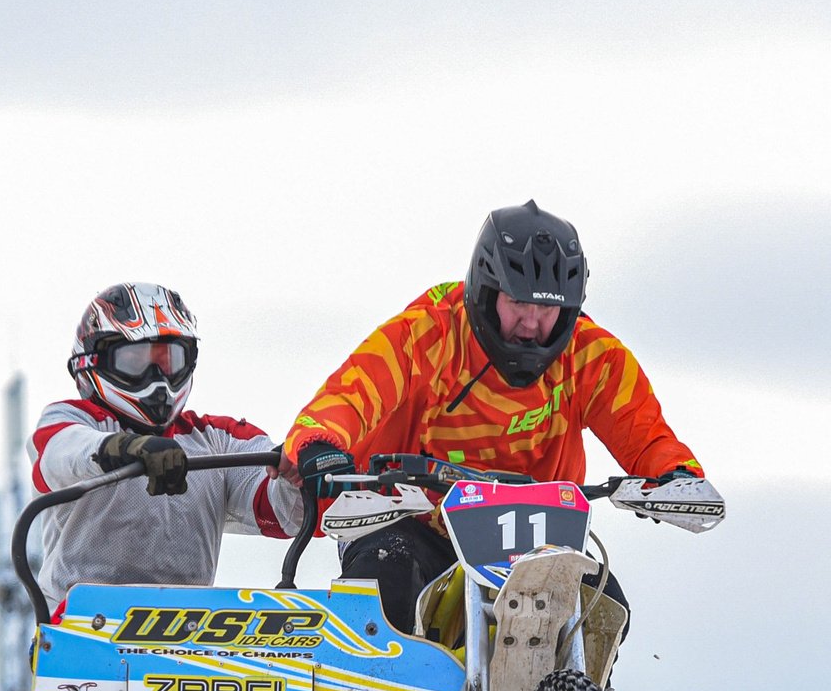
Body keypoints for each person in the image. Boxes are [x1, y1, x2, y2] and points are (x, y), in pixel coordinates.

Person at [278, 200, 725, 633]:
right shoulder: (428, 330)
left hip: (531, 534)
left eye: (546, 309)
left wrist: (673, 475)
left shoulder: (590, 355)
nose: (531, 323)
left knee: (602, 608)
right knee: (385, 580)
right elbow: (352, 394)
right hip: (412, 518)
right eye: (518, 303)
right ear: (486, 292)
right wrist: (320, 446)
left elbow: (643, 432)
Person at [28, 282, 302, 611]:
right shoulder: (74, 421)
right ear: (94, 363)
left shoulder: (216, 439)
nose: (156, 380)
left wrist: (297, 472)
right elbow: (58, 453)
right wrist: (125, 448)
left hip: (185, 638)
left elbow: (286, 513)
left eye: (169, 362)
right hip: (79, 631)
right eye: (136, 362)